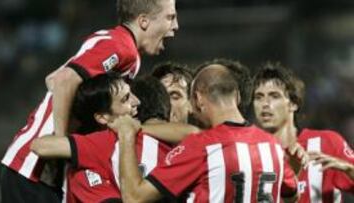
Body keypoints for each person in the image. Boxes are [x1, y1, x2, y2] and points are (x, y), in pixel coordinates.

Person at [0, 0, 179, 201]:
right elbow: (62, 80)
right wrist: (61, 144)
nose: (175, 26)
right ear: (144, 21)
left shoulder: (115, 42)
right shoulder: (121, 47)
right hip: (34, 170)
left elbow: (52, 78)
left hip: (33, 170)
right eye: (170, 17)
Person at [109, 59, 299, 203]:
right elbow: (293, 195)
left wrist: (126, 135)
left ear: (198, 99)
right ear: (238, 96)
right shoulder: (272, 146)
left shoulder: (202, 145)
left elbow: (134, 197)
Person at [30, 74, 178, 202]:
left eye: (131, 93)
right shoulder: (101, 144)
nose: (137, 101)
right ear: (103, 117)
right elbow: (40, 146)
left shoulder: (154, 137)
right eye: (125, 99)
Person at [252, 62, 354, 203]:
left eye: (274, 96)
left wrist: (349, 170)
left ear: (294, 104)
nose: (265, 103)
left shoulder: (327, 143)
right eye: (258, 97)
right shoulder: (249, 155)